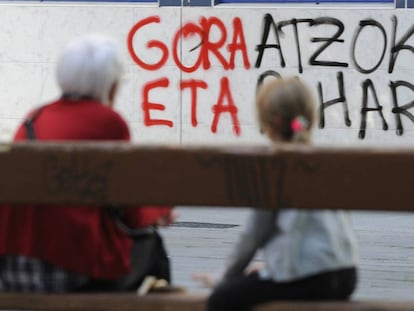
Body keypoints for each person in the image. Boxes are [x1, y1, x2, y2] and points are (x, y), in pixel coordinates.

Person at [0, 34, 177, 292]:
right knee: (151, 246)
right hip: (69, 270)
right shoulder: (108, 122)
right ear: (111, 85)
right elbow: (130, 203)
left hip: (14, 268)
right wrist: (158, 213)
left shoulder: (33, 119)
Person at [193, 78, 359, 311]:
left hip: (307, 278)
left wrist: (224, 278)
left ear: (267, 124)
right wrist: (273, 266)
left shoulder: (274, 169)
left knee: (220, 300)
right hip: (345, 274)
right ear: (310, 118)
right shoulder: (326, 162)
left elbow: (252, 236)